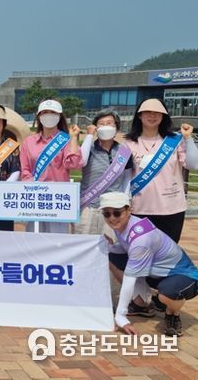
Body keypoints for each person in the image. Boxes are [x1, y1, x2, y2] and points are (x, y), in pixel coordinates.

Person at [103, 192, 198, 337]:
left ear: (129, 210)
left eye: (117, 213)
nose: (112, 218)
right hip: (156, 272)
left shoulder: (141, 238)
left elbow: (129, 278)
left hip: (183, 275)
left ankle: (172, 313)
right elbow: (126, 248)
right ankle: (141, 303)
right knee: (109, 255)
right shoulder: (125, 225)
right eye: (107, 214)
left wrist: (120, 316)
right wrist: (110, 247)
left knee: (167, 294)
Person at [124, 98, 198, 243]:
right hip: (139, 209)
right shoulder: (129, 143)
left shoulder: (175, 140)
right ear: (139, 115)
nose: (152, 116)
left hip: (172, 209)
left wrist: (188, 138)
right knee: (140, 251)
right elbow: (125, 177)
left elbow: (194, 164)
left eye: (157, 112)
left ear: (163, 116)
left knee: (167, 252)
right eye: (148, 112)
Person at [20, 99, 83, 233]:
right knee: (33, 239)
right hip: (35, 199)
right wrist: (34, 189)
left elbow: (74, 164)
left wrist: (73, 138)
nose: (48, 115)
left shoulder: (65, 140)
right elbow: (25, 170)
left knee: (57, 240)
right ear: (38, 116)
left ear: (60, 116)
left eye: (53, 112)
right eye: (45, 112)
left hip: (58, 200)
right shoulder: (29, 142)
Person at [77, 108, 133, 235]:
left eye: (109, 123)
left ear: (116, 128)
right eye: (101, 124)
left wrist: (126, 201)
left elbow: (127, 178)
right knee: (84, 243)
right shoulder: (88, 148)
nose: (105, 127)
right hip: (88, 207)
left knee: (111, 245)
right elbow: (81, 161)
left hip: (114, 210)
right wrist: (89, 135)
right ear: (96, 128)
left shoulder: (124, 152)